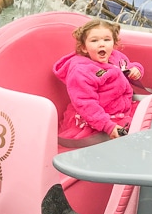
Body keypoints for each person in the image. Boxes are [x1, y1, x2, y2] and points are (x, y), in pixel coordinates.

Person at [53, 19, 144, 147]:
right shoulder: (81, 71)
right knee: (130, 142)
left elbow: (127, 66)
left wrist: (136, 69)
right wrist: (108, 126)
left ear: (114, 43)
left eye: (107, 40)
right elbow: (85, 103)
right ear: (84, 47)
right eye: (94, 40)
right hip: (96, 119)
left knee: (150, 118)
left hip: (122, 108)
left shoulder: (115, 56)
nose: (102, 44)